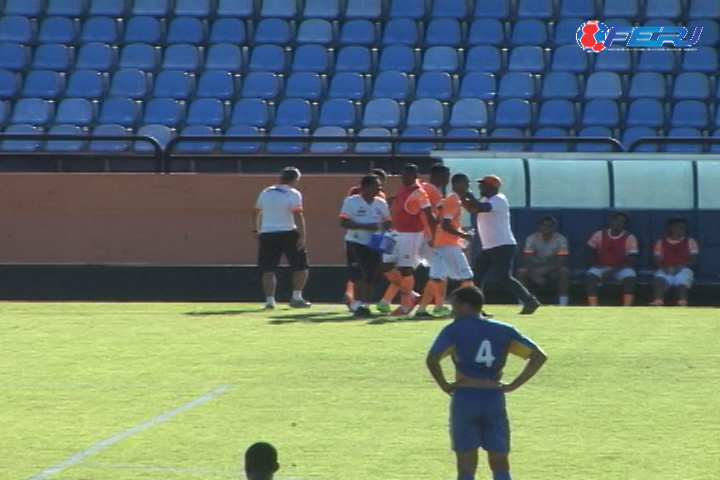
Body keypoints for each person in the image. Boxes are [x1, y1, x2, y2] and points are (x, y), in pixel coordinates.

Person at [426, 285, 548, 480]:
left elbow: (432, 360)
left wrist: (444, 385)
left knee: (466, 463)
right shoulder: (504, 330)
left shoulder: (453, 330)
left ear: (466, 306)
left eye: (454, 305)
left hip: (465, 397)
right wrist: (514, 385)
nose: (452, 310)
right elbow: (539, 357)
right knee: (500, 460)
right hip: (493, 397)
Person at [460, 175, 540, 315]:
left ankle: (530, 300)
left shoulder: (499, 199)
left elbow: (481, 208)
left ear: (492, 187)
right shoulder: (486, 199)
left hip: (502, 245)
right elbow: (473, 209)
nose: (480, 187)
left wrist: (470, 196)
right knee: (477, 275)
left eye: (483, 185)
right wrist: (463, 198)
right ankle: (476, 308)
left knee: (504, 278)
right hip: (490, 246)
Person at [377, 163, 437, 316]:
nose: (403, 178)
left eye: (406, 176)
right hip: (396, 232)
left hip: (411, 234)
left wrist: (435, 236)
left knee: (406, 269)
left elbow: (429, 214)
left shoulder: (419, 193)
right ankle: (411, 294)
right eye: (402, 175)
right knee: (384, 265)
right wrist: (394, 199)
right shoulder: (404, 189)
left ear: (414, 176)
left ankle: (405, 306)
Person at [251, 166, 311, 310]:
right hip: (288, 232)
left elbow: (256, 212)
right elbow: (298, 214)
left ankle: (270, 300)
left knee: (268, 269)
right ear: (295, 180)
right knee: (300, 267)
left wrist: (256, 230)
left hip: (267, 233)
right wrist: (302, 235)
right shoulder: (293, 193)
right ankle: (297, 297)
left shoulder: (266, 192)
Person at [416, 173, 475, 318]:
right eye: (466, 183)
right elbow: (446, 224)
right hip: (449, 244)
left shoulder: (448, 199)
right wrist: (463, 235)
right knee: (466, 277)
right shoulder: (453, 199)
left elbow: (440, 222)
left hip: (440, 243)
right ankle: (474, 309)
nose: (468, 187)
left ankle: (421, 310)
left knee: (436, 278)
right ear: (457, 184)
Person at [339, 174, 392, 317]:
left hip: (374, 243)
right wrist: (366, 226)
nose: (379, 188)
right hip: (355, 242)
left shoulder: (381, 203)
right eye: (376, 185)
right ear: (365, 187)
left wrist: (384, 230)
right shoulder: (352, 201)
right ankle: (357, 303)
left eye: (380, 186)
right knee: (359, 275)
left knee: (371, 276)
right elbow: (344, 222)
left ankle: (366, 305)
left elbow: (388, 222)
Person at [415, 163, 452, 315]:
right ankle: (432, 306)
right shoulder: (433, 191)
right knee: (441, 273)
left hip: (419, 235)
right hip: (429, 236)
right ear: (438, 176)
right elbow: (435, 217)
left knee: (438, 273)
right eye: (446, 175)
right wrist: (435, 236)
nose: (447, 179)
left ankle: (435, 305)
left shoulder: (423, 188)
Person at [586, 212, 638, 307]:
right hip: (602, 265)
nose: (618, 223)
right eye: (616, 220)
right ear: (611, 221)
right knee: (591, 276)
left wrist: (612, 271)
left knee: (630, 278)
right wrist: (595, 263)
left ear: (625, 225)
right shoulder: (599, 234)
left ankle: (627, 307)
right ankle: (593, 306)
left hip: (621, 267)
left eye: (622, 222)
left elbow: (632, 261)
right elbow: (589, 251)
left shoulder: (630, 238)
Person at [516, 216, 571, 306]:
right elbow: (528, 259)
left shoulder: (561, 239)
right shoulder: (531, 238)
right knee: (521, 272)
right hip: (534, 269)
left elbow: (561, 261)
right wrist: (536, 272)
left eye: (550, 226)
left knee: (564, 271)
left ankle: (563, 304)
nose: (547, 228)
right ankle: (522, 302)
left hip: (552, 270)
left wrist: (543, 271)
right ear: (540, 227)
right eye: (544, 226)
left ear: (554, 227)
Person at [651, 218, 699, 307]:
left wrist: (681, 266)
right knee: (659, 280)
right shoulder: (660, 242)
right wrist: (664, 267)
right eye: (680, 227)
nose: (683, 230)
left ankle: (682, 303)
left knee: (681, 282)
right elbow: (656, 259)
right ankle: (658, 301)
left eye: (684, 228)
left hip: (683, 268)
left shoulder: (690, 242)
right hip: (665, 268)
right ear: (671, 228)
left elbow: (693, 259)